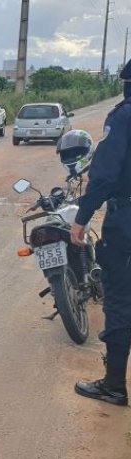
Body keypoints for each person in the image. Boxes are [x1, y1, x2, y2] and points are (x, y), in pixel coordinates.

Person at [70, 60, 131, 407]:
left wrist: (82, 216)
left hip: (126, 221)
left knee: (121, 299)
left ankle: (114, 385)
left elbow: (106, 174)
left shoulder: (123, 116)